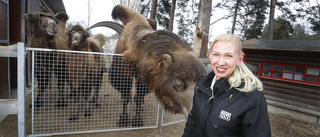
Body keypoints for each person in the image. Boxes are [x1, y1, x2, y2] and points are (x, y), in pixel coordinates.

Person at [182, 33, 271, 137]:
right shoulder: (202, 87)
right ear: (210, 55)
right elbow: (192, 125)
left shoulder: (252, 99)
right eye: (216, 54)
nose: (221, 62)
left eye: (228, 56)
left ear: (239, 59)